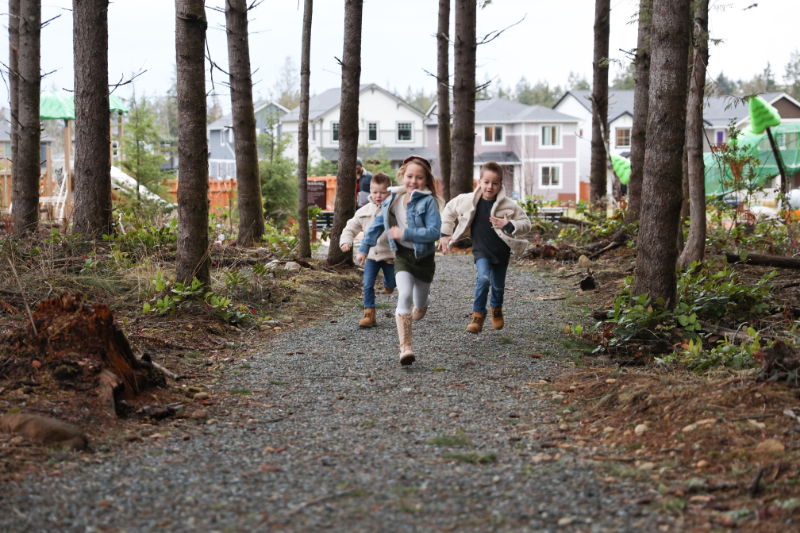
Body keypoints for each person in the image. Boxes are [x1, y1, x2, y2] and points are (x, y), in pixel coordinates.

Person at [358, 156, 442, 365]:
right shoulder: (392, 199)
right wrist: (364, 248)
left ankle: (423, 304)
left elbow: (434, 232)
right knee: (403, 294)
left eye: (419, 177)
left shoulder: (429, 202)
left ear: (426, 180)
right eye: (409, 176)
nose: (413, 181)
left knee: (419, 305)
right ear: (402, 176)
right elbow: (378, 225)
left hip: (423, 258)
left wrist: (405, 233)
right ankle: (405, 348)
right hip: (403, 256)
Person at [439, 161, 531, 334]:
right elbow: (449, 209)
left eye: (495, 183)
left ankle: (496, 308)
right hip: (481, 250)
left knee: (498, 286)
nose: (490, 186)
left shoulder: (508, 205)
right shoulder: (467, 200)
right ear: (479, 181)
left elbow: (526, 223)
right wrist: (445, 233)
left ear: (500, 185)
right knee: (483, 279)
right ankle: (478, 315)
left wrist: (508, 223)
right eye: (486, 182)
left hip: (501, 252)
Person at [340, 172, 396, 328]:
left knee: (392, 282)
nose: (378, 196)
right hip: (370, 255)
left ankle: (388, 283)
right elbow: (350, 228)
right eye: (375, 192)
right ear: (370, 191)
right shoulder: (363, 211)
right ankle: (369, 314)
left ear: (390, 191)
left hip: (390, 255)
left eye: (383, 192)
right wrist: (346, 241)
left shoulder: (394, 210)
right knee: (367, 283)